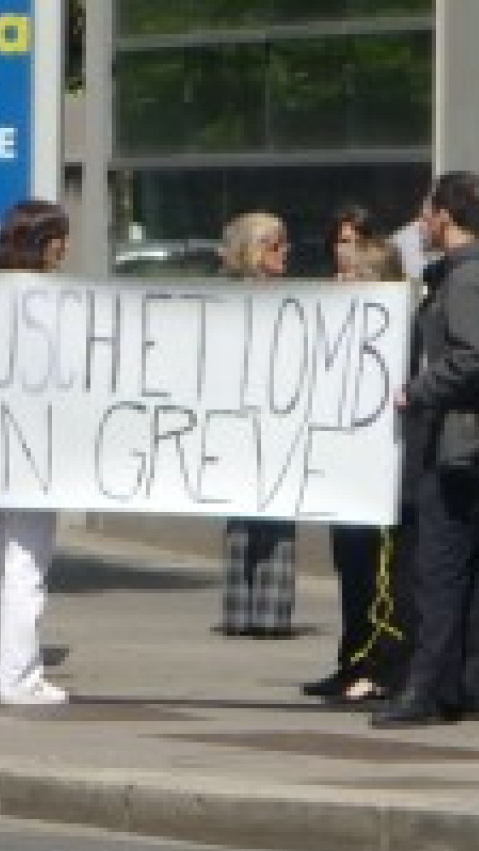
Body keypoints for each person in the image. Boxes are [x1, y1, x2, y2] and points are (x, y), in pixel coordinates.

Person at [371, 170, 479, 728]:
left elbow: (475, 356)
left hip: (461, 449)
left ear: (445, 215)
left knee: (438, 572)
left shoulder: (467, 282)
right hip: (478, 450)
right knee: (477, 572)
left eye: (427, 213)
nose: (420, 223)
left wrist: (418, 389)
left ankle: (429, 691)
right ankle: (470, 686)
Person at [0, 199, 71, 706]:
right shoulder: (50, 300)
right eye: (61, 240)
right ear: (47, 244)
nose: (66, 250)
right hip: (31, 443)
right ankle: (19, 676)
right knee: (25, 560)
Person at [302, 222, 405, 702]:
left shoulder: (392, 333)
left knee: (375, 576)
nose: (340, 284)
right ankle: (350, 663)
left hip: (376, 475)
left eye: (350, 277)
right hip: (344, 471)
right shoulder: (339, 329)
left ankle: (378, 666)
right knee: (351, 572)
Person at [214, 211, 298, 638]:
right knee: (242, 516)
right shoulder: (229, 301)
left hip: (280, 418)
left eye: (285, 244)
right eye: (275, 245)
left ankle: (269, 613)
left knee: (278, 515)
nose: (285, 252)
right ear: (253, 251)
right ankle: (242, 610)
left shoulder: (293, 301)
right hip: (238, 418)